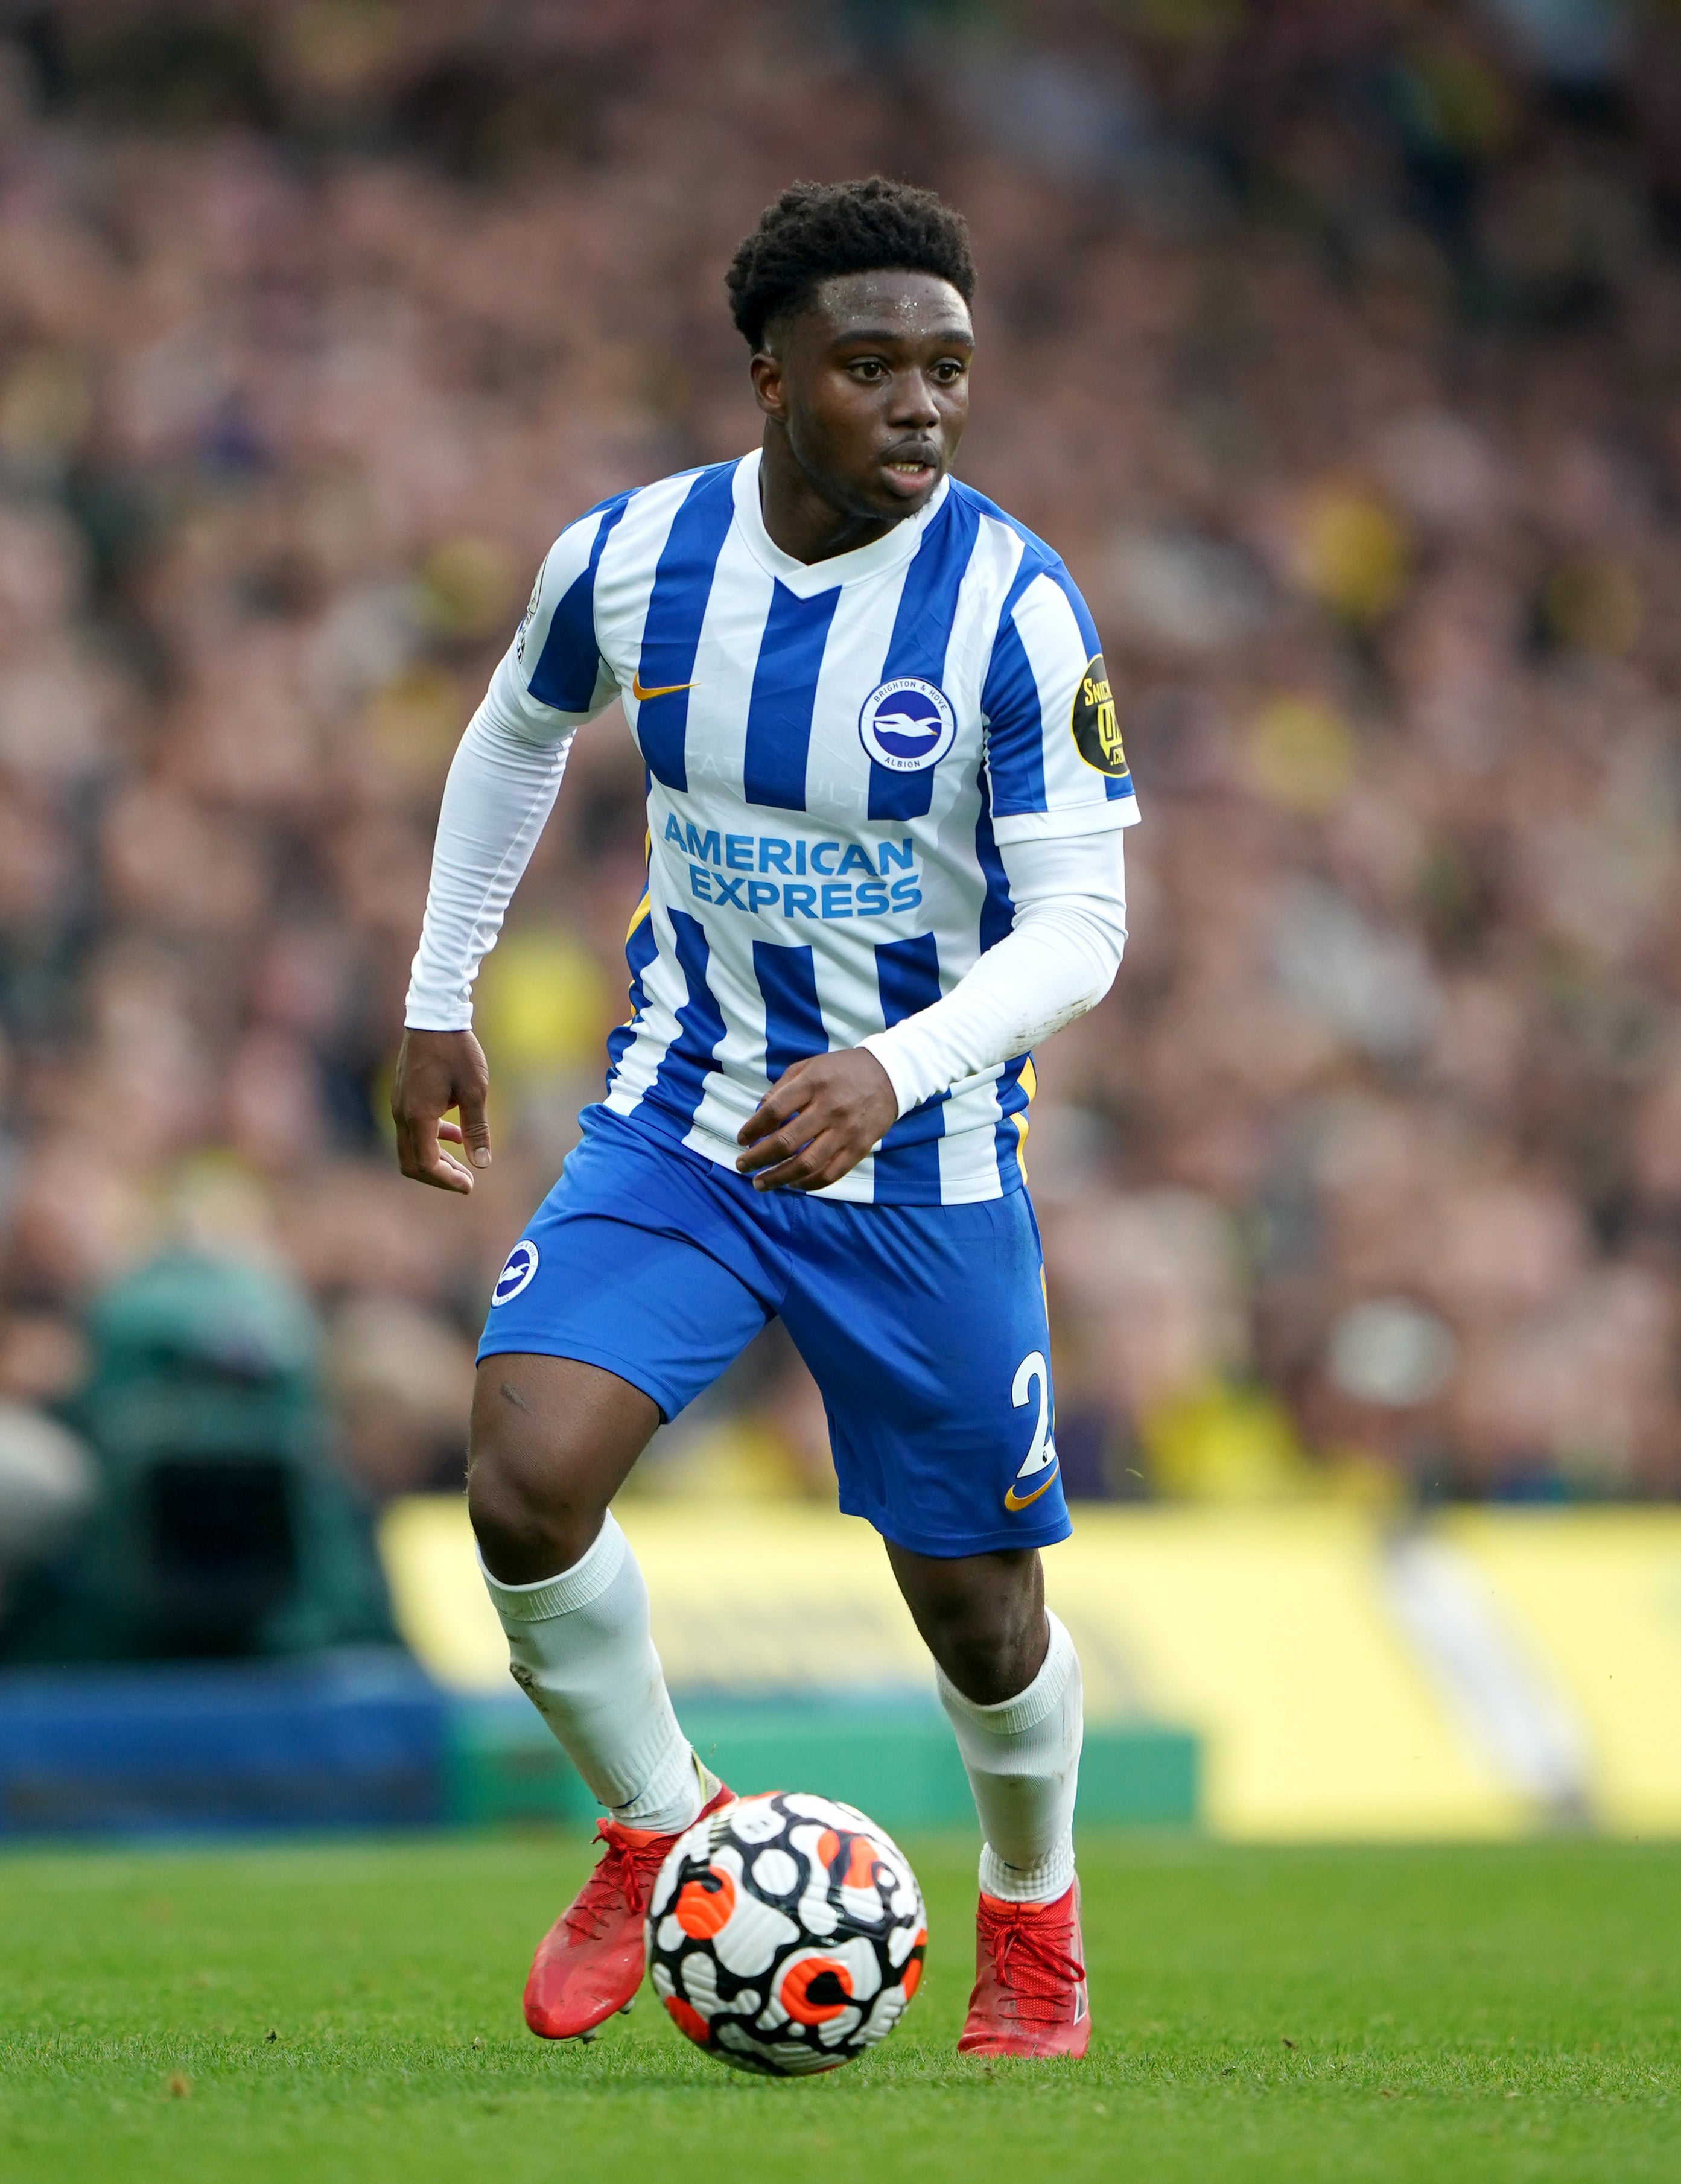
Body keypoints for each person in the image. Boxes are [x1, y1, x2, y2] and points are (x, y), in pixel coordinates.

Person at [392, 177, 1136, 2059]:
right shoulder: (635, 556)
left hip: (924, 1159)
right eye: (871, 365)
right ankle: (655, 1824)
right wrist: (436, 993)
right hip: (687, 1114)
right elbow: (510, 733)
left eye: (948, 370)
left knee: (977, 1615)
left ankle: (1032, 1920)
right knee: (522, 1476)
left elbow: (1082, 925)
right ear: (769, 375)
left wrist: (895, 1065)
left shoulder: (1013, 608)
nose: (920, 406)